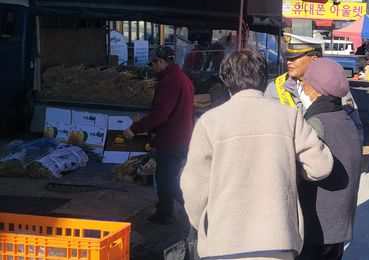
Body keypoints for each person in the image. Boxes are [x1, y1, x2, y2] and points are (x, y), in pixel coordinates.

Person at [181, 50, 334, 260]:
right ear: (264, 79)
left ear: (226, 80)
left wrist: (205, 223)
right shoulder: (289, 117)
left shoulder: (210, 122)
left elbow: (193, 186)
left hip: (223, 243)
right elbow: (320, 167)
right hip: (279, 240)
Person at [296, 58, 363, 260]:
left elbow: (304, 171)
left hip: (315, 223)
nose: (303, 88)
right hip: (339, 222)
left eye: (306, 83)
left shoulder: (316, 122)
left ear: (317, 90)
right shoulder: (345, 118)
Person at [123, 45, 195, 224]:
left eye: (153, 64)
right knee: (166, 178)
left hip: (171, 140)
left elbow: (160, 113)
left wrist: (135, 129)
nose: (152, 68)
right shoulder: (184, 79)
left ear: (161, 62)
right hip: (181, 138)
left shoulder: (170, 81)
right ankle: (166, 211)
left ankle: (194, 213)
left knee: (166, 180)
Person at [265, 33, 363, 140]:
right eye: (288, 58)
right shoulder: (275, 88)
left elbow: (354, 128)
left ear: (314, 59)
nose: (289, 62)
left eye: (295, 57)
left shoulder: (333, 85)